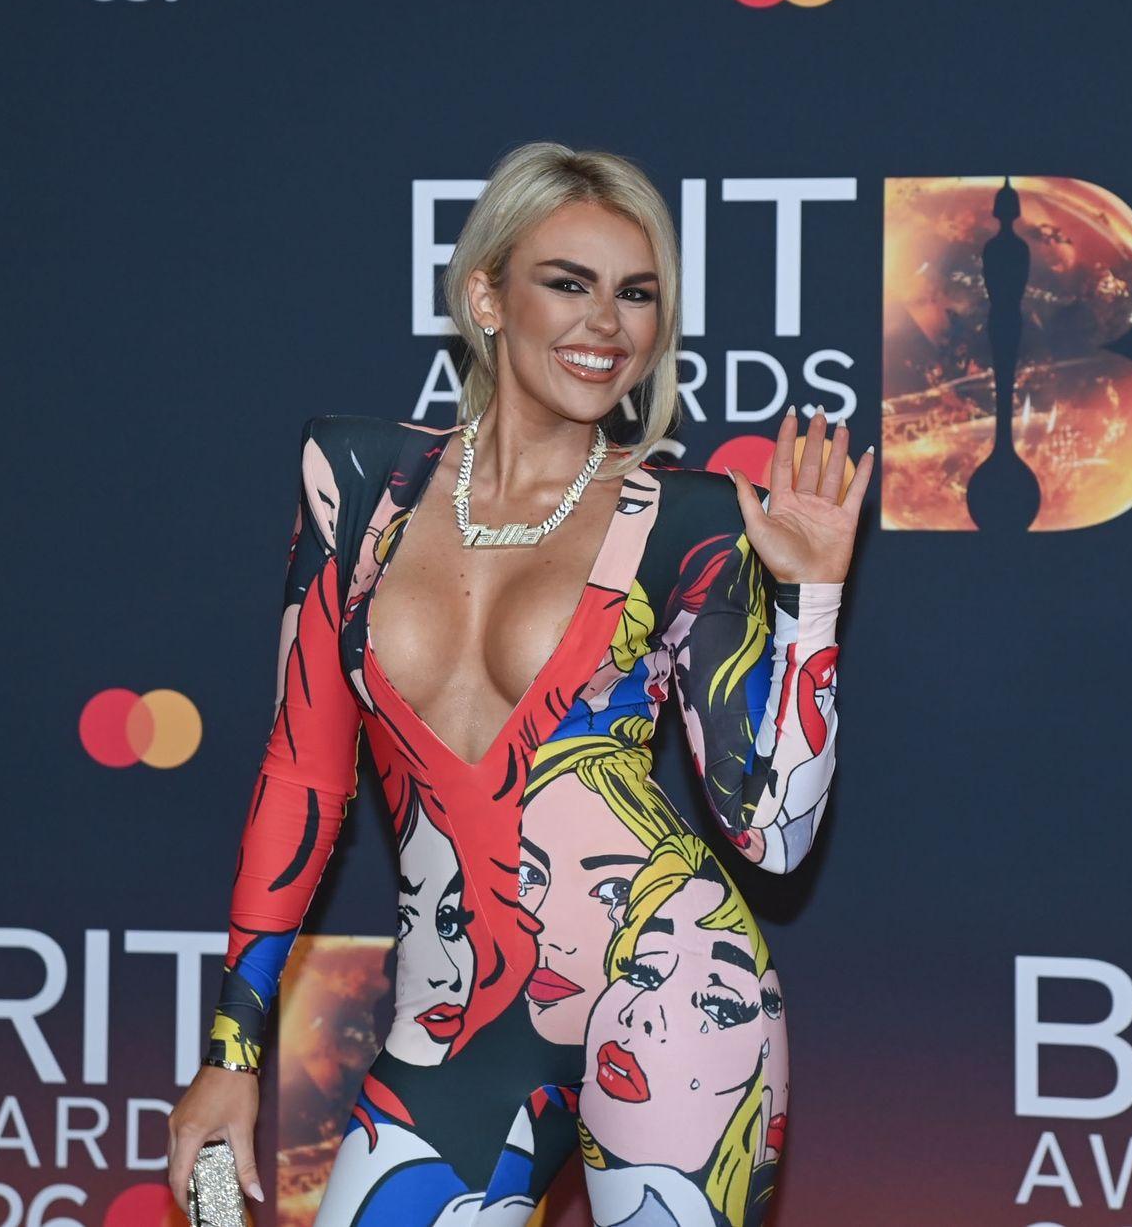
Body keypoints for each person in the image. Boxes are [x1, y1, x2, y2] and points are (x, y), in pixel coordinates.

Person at [166, 141, 870, 1226]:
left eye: (637, 294)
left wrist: (808, 604)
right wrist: (232, 1050)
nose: (608, 324)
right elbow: (302, 770)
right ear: (486, 296)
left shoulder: (690, 518)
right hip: (455, 1018)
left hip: (677, 993)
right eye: (569, 283)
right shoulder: (355, 477)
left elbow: (772, 837)